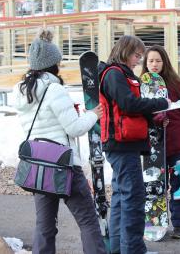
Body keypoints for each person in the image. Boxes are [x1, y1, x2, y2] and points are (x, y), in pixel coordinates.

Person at [13, 29, 106, 254]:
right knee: (87, 221)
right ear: (52, 64)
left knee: (44, 226)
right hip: (64, 166)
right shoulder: (54, 89)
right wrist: (94, 113)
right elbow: (75, 127)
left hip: (38, 165)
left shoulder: (21, 90)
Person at [99, 36, 170, 254]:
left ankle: (119, 248)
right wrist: (161, 103)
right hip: (121, 144)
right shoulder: (114, 74)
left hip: (123, 144)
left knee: (122, 197)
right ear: (125, 51)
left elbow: (127, 108)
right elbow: (128, 104)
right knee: (133, 198)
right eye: (137, 56)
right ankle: (133, 249)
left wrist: (153, 118)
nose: (138, 61)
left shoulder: (118, 73)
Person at [141, 45, 180, 239]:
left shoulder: (177, 85)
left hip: (177, 145)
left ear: (165, 62)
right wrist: (155, 120)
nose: (154, 64)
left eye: (158, 60)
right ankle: (155, 222)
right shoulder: (141, 86)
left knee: (179, 183)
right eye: (150, 61)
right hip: (153, 148)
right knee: (155, 184)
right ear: (145, 63)